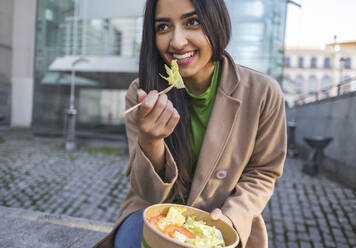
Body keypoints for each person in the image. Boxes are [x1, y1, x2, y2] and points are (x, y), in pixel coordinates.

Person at [92, 0, 286, 247]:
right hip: (153, 214)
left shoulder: (263, 93)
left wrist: (232, 217)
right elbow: (150, 195)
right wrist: (151, 141)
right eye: (163, 27)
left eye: (192, 22)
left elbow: (263, 171)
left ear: (217, 22)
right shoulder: (141, 94)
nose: (177, 42)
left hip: (220, 222)